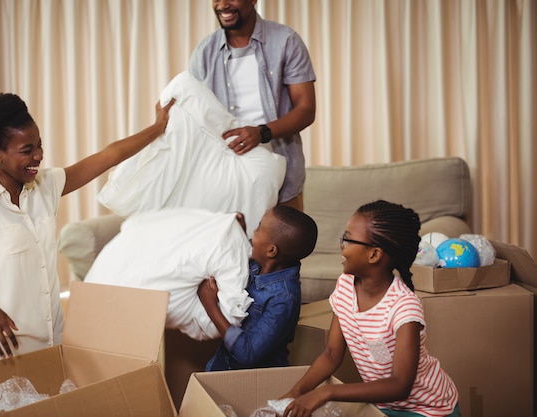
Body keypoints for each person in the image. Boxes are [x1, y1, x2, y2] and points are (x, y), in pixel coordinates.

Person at [0, 93, 174, 366]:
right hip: (1, 348)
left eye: (39, 146)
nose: (38, 156)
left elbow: (109, 156)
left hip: (50, 340)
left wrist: (157, 128)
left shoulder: (46, 185)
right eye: (27, 150)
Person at [281, 200, 461, 417]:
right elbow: (331, 354)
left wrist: (327, 392)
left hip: (428, 410)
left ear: (374, 255)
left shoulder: (403, 307)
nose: (342, 245)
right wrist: (296, 392)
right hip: (383, 406)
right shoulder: (345, 285)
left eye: (348, 239)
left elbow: (400, 385)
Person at [189, 0, 316, 211]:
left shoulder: (286, 41)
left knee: (285, 243)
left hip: (282, 179)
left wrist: (261, 133)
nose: (222, 5)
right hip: (225, 180)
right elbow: (193, 113)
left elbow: (306, 110)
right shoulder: (204, 51)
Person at [197, 205, 318, 371]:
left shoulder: (283, 299)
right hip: (221, 365)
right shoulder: (260, 263)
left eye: (259, 229)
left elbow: (248, 353)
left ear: (271, 251)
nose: (254, 232)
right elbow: (243, 250)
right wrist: (239, 232)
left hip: (252, 381)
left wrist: (210, 305)